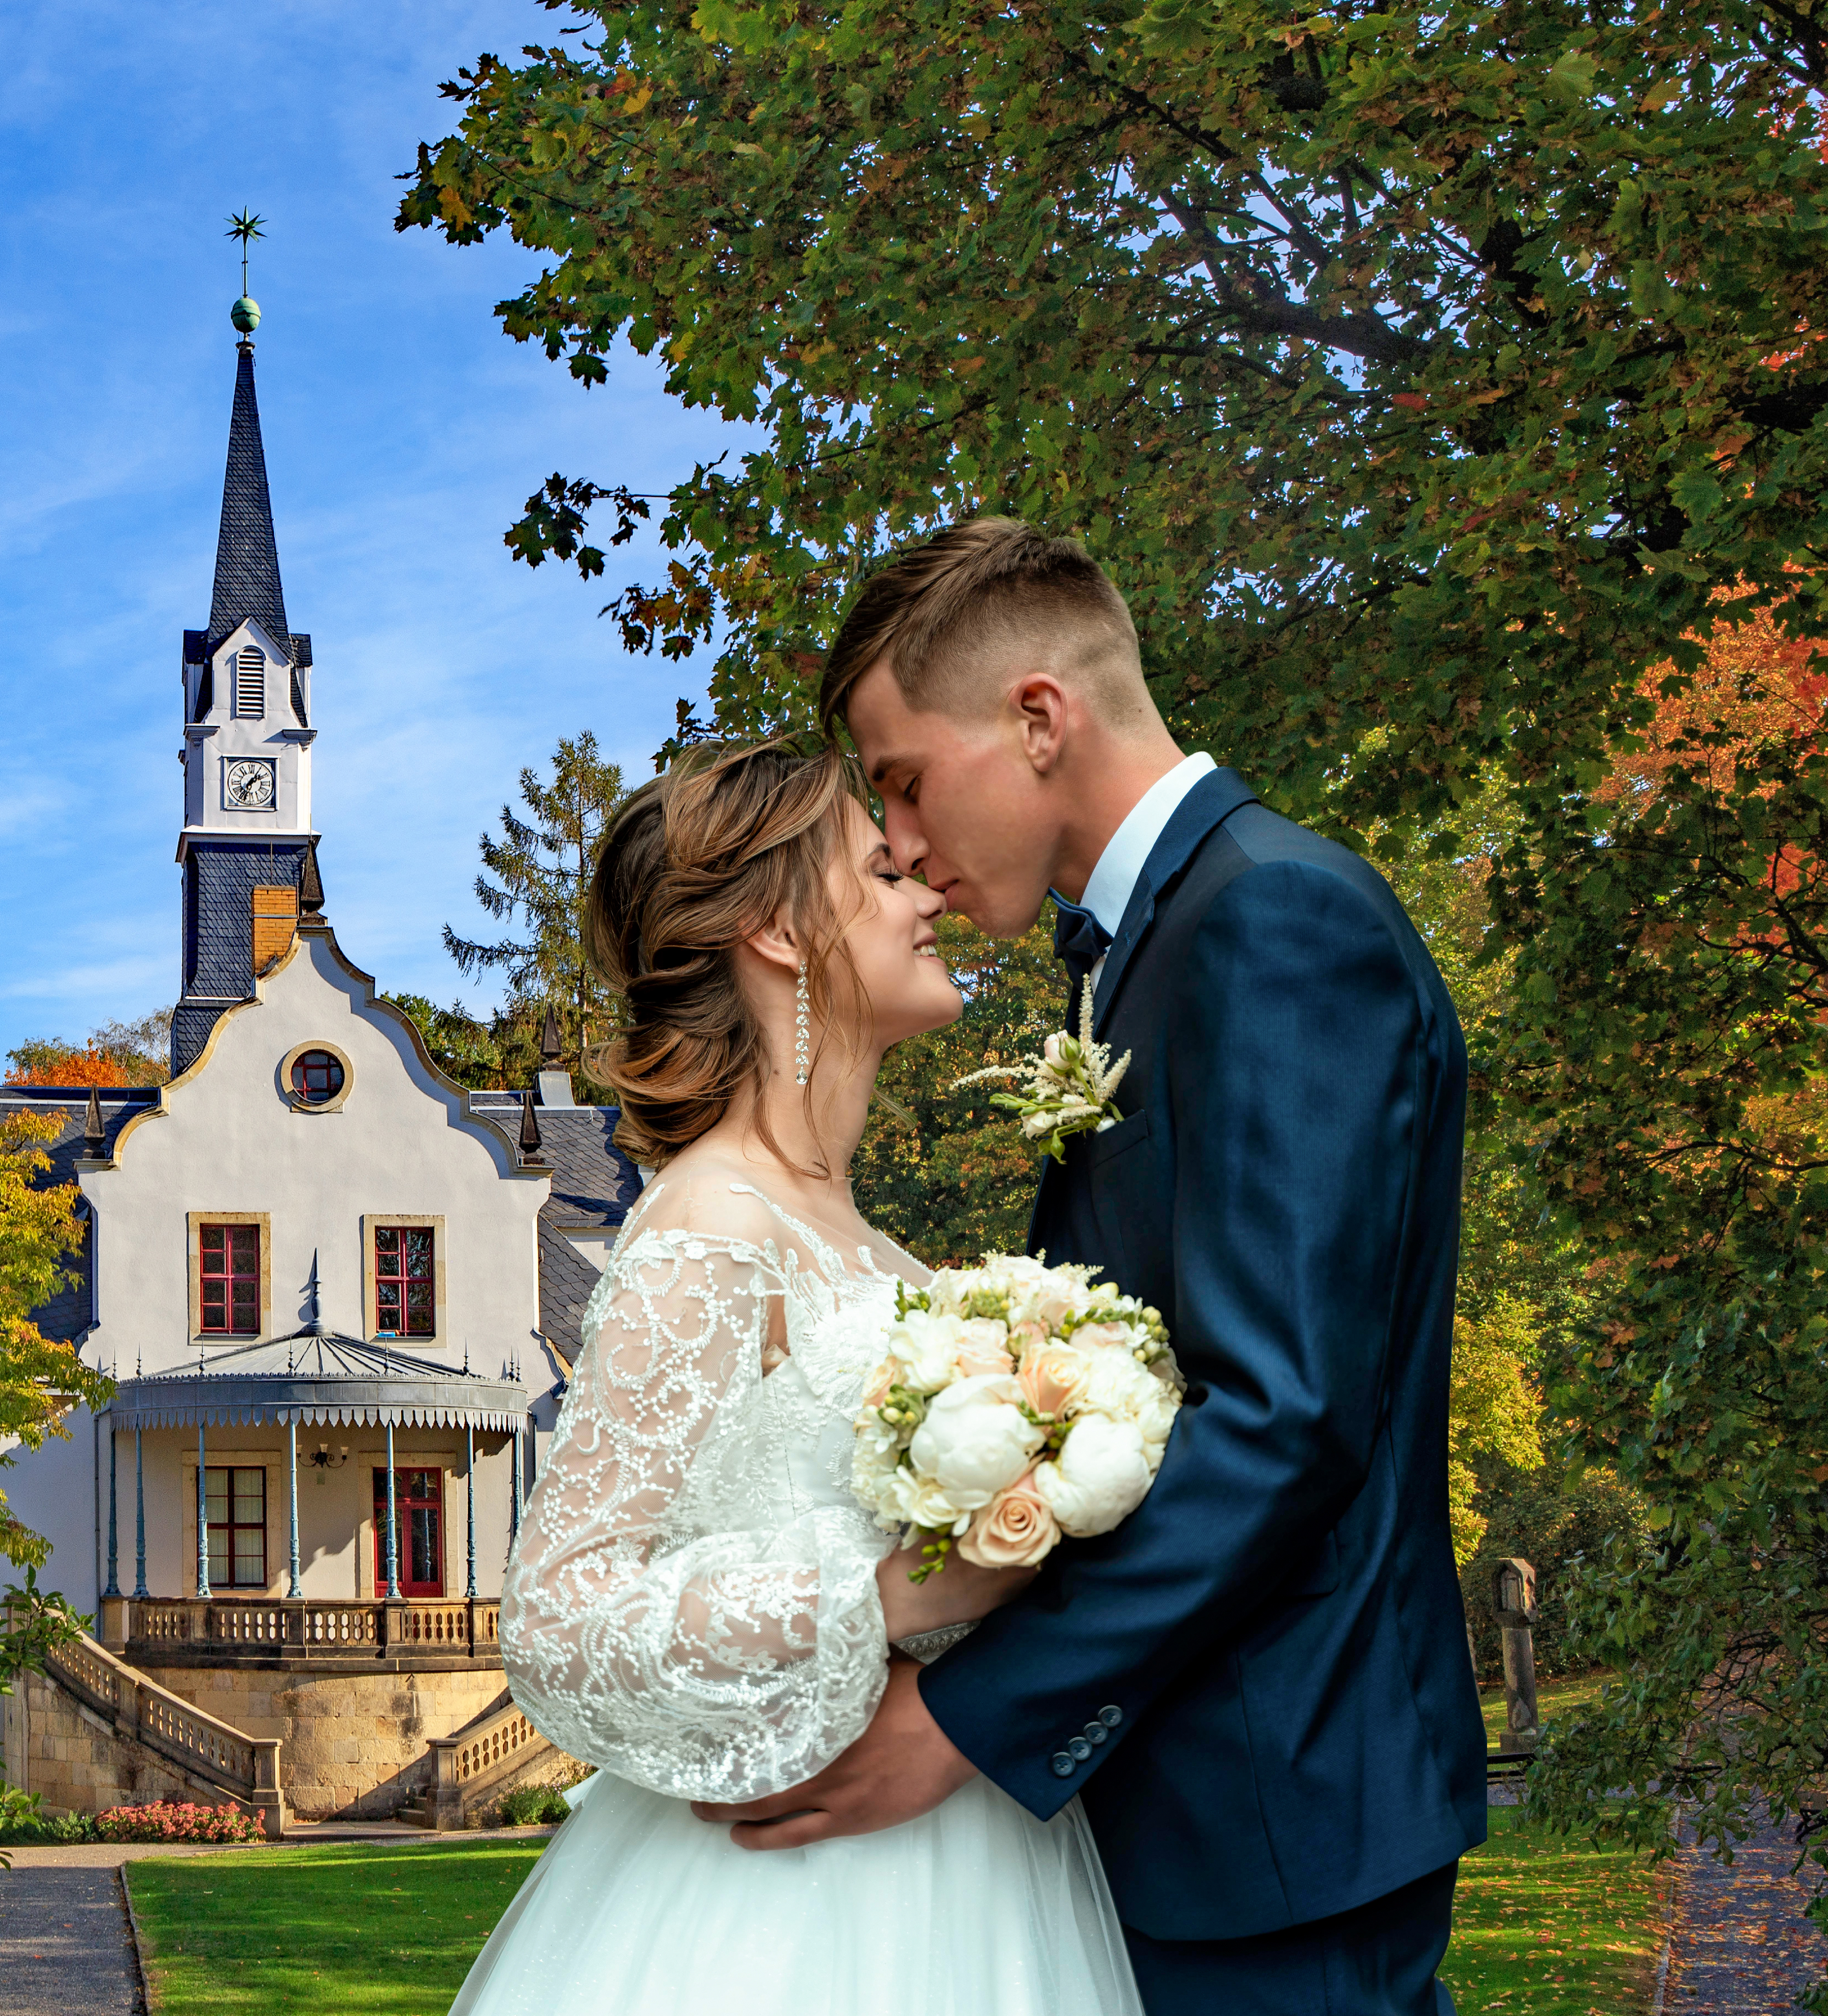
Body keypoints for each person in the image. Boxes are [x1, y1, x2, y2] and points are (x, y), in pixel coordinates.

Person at [693, 517, 1485, 2015]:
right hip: (1196, 1802)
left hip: (1276, 1806)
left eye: (902, 780)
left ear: (1037, 719)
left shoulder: (1273, 918)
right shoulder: (1144, 948)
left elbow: (1282, 1420)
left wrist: (964, 1716)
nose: (899, 841)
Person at [453, 741, 1144, 2016]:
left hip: (976, 1856)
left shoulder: (875, 1250)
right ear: (776, 934)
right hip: (791, 1916)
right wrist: (885, 1592)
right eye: (881, 871)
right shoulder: (710, 1226)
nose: (927, 893)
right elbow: (556, 1619)